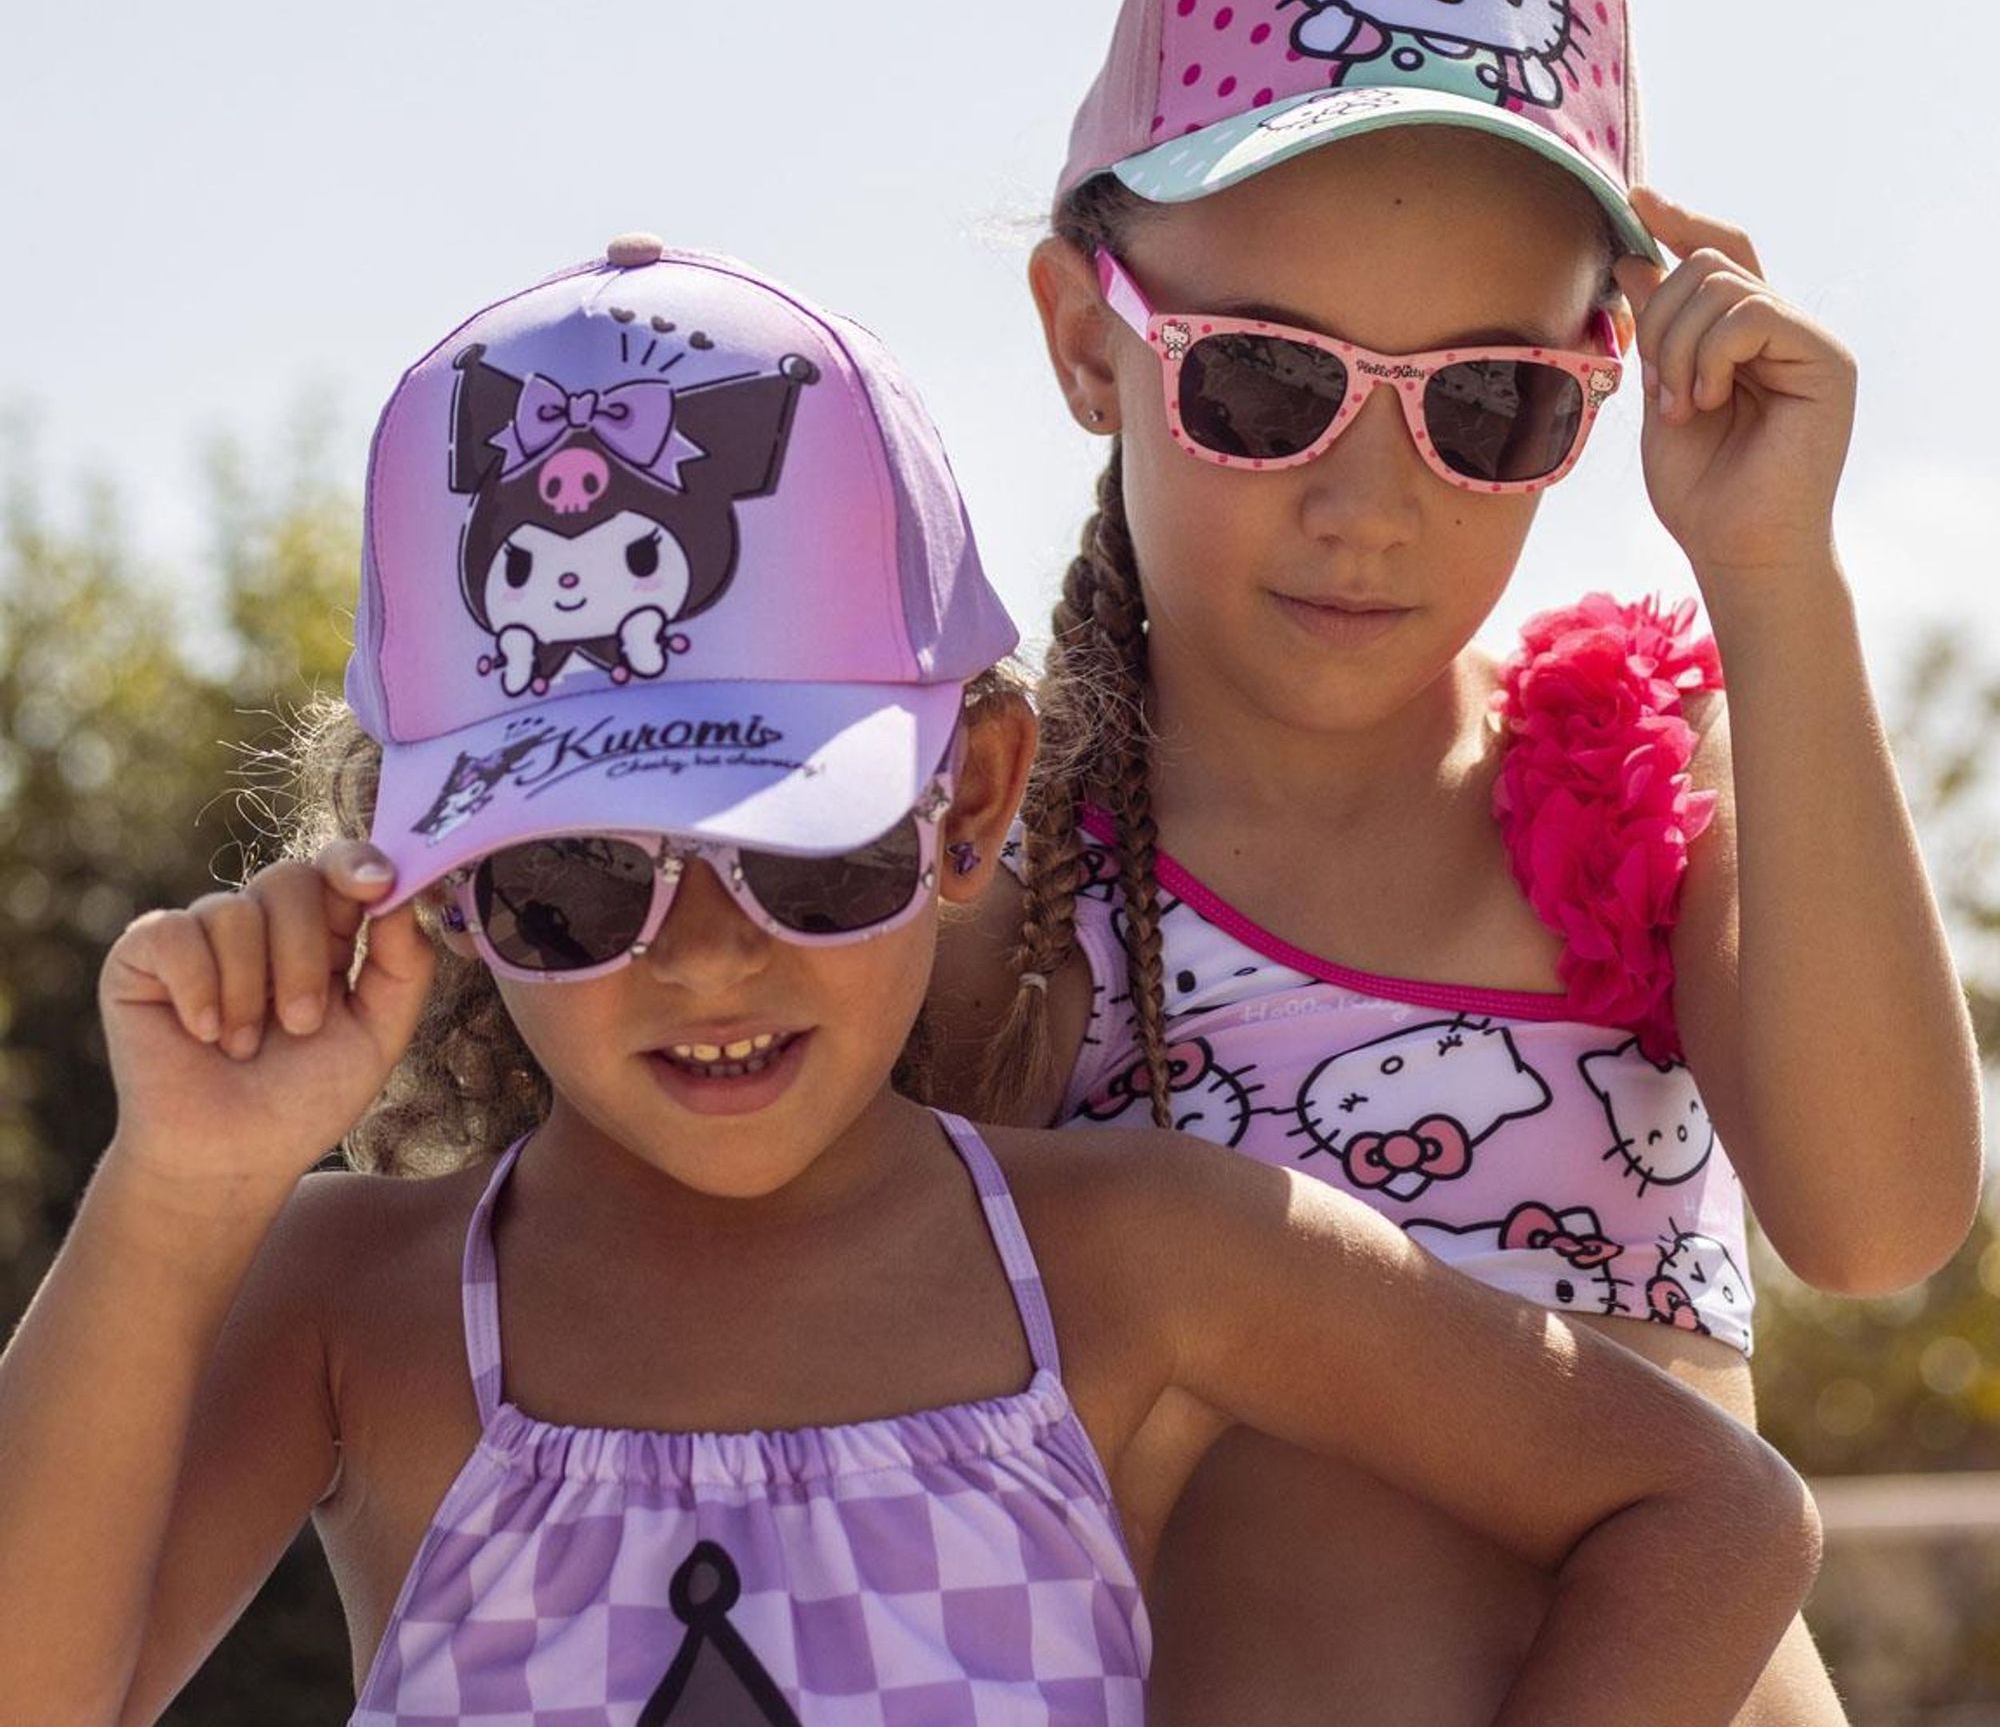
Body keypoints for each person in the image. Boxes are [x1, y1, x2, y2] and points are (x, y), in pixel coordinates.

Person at [0, 235, 1816, 1725]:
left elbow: (1706, 1507)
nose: (711, 957)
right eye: (576, 884)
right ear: (434, 886)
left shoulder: (1148, 1254)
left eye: (811, 854)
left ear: (975, 800)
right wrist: (182, 1187)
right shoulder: (353, 1298)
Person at [928, 0, 1984, 1724]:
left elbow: (1880, 1220)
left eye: (1489, 401)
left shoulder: (1640, 779)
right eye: (1268, 383)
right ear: (1089, 341)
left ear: (1599, 384)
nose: (1371, 503)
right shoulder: (1006, 893)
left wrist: (1771, 574)